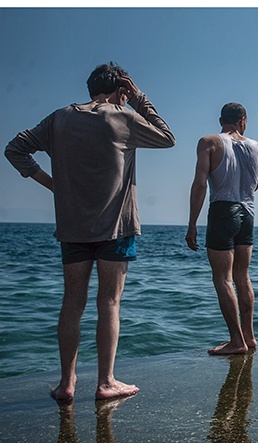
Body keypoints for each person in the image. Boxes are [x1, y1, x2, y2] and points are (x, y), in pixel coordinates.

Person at [4, 62, 176, 402]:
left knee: (72, 301)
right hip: (117, 226)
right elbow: (167, 137)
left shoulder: (59, 119)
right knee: (109, 301)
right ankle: (105, 381)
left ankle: (67, 383)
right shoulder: (124, 118)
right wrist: (139, 99)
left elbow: (15, 149)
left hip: (73, 226)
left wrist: (53, 185)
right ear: (121, 90)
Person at [185, 102, 258, 356]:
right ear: (243, 121)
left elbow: (200, 185)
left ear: (221, 120)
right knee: (243, 275)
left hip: (222, 210)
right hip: (248, 213)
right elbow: (256, 184)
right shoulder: (257, 147)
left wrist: (192, 224)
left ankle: (235, 341)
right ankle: (248, 336)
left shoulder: (209, 142)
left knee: (222, 278)